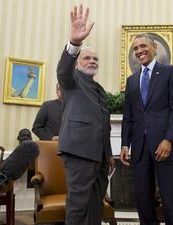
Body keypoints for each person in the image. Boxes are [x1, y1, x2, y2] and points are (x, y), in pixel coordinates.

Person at [55, 5, 114, 225]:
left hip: (99, 158)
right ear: (78, 63)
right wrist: (75, 43)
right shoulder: (72, 81)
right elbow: (62, 70)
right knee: (79, 207)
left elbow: (104, 126)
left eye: (95, 60)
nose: (92, 62)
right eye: (87, 58)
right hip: (78, 152)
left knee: (95, 206)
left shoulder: (100, 90)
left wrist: (108, 155)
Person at [120, 33, 173, 225]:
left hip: (164, 146)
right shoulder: (132, 80)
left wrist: (169, 139)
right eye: (135, 49)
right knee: (143, 200)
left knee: (171, 198)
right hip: (139, 148)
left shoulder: (170, 72)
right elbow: (128, 115)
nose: (139, 51)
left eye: (143, 46)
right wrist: (125, 144)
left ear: (154, 46)